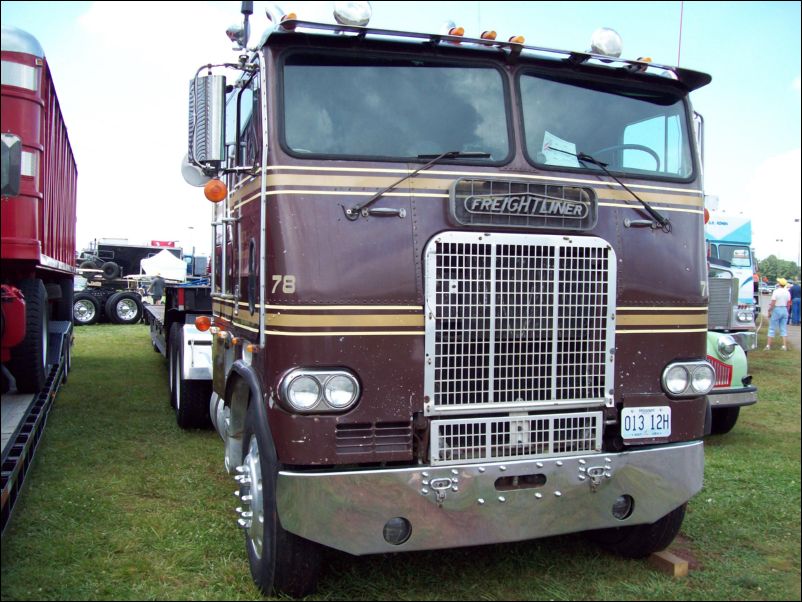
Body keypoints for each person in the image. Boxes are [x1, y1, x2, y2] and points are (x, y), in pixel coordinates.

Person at [765, 277, 791, 351]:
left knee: (772, 328)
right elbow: (788, 303)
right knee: (783, 328)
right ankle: (784, 346)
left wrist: (769, 310)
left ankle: (768, 345)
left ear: (779, 284)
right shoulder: (787, 292)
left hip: (777, 309)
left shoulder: (776, 291)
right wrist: (787, 311)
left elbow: (773, 302)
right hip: (784, 309)